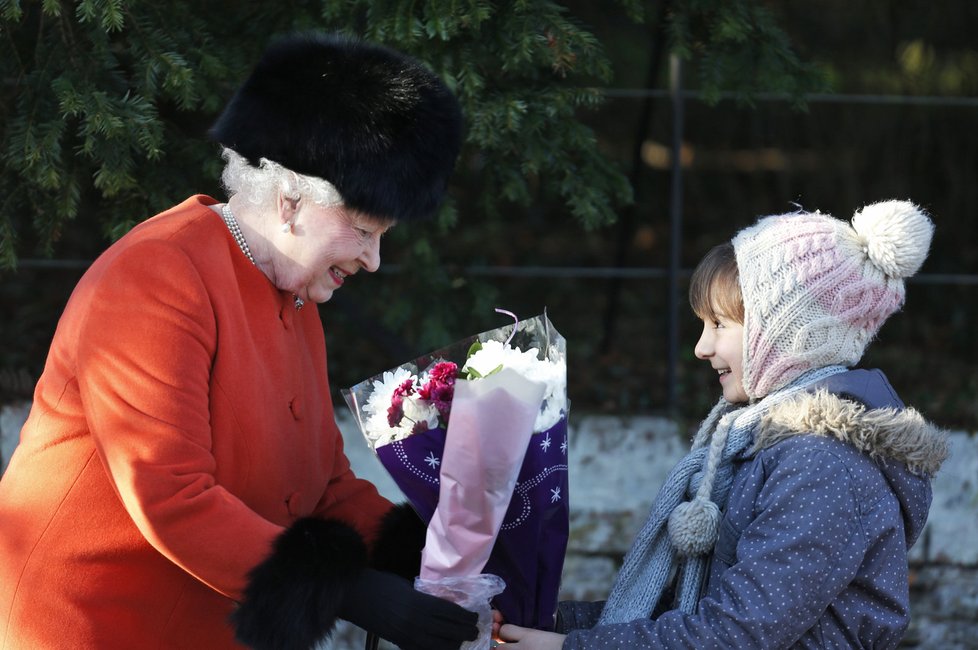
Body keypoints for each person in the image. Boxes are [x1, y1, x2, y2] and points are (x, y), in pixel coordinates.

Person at [0, 33, 478, 650]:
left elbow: (322, 485)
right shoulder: (156, 275)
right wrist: (351, 591)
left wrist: (427, 555)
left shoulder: (292, 293)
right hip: (96, 625)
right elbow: (170, 496)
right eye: (363, 230)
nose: (374, 260)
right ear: (289, 202)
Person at [497, 200, 949, 649]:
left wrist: (568, 648)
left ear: (785, 334)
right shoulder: (767, 446)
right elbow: (686, 612)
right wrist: (550, 621)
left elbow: (735, 635)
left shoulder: (821, 466)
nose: (701, 347)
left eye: (719, 324)